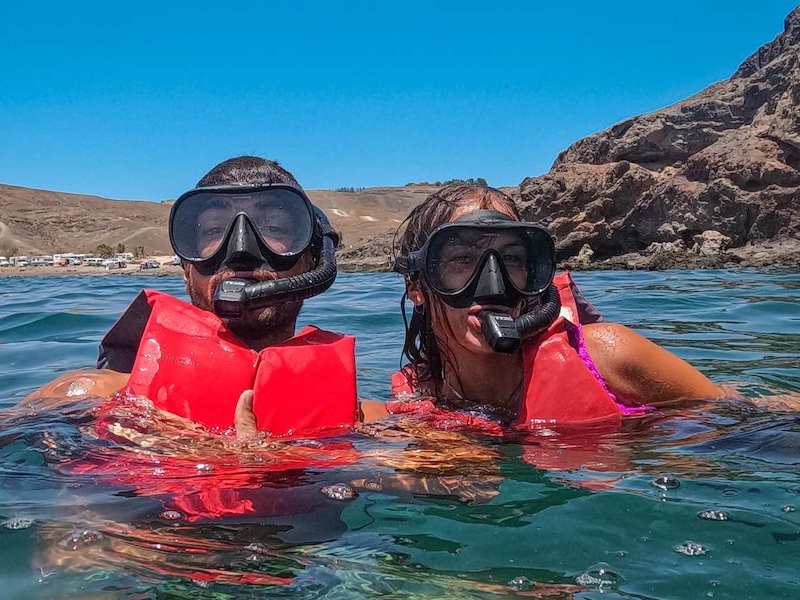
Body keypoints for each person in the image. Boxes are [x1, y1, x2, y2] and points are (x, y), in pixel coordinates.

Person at [25, 155, 365, 438]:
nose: (241, 251)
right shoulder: (86, 400)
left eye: (274, 228)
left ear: (314, 260)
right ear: (186, 268)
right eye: (214, 231)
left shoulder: (365, 423)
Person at [384, 183, 727, 431]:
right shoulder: (415, 400)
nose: (494, 286)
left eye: (513, 259)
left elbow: (749, 421)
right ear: (417, 286)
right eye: (461, 259)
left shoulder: (608, 354)